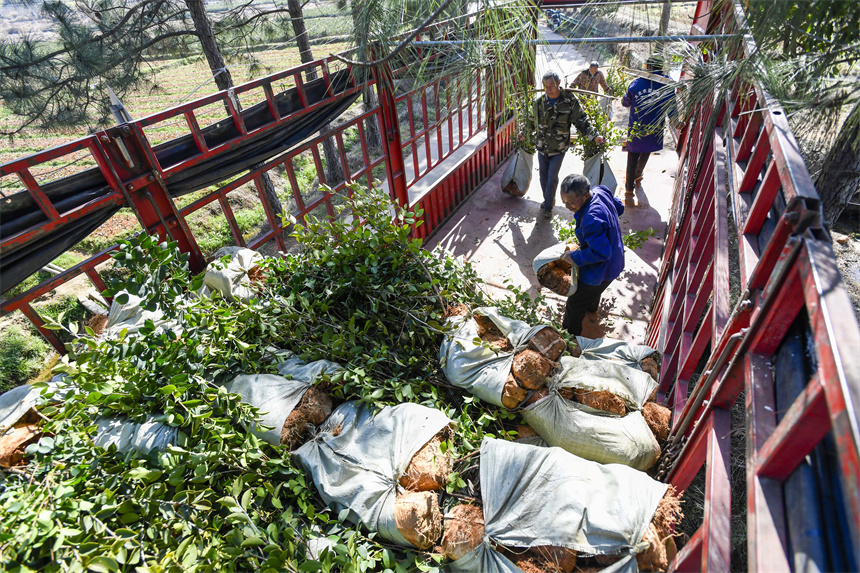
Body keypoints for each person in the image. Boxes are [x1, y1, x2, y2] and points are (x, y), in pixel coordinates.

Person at [558, 174, 625, 336]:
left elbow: (601, 252)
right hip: (617, 258)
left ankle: (569, 337)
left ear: (586, 195)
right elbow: (619, 207)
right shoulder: (600, 191)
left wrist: (574, 257)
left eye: (571, 202)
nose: (567, 206)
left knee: (574, 304)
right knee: (593, 292)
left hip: (603, 267)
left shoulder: (590, 220)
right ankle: (591, 307)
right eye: (564, 202)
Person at [533, 70, 605, 218]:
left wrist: (594, 136)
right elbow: (531, 121)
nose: (549, 90)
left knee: (552, 176)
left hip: (558, 148)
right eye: (546, 87)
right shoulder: (540, 102)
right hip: (542, 147)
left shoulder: (570, 100)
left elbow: (582, 120)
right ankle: (549, 198)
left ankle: (547, 207)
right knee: (543, 177)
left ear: (559, 83)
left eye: (552, 86)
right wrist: (523, 133)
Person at [621, 54, 675, 203]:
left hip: (636, 127)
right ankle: (638, 174)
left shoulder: (636, 83)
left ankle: (629, 187)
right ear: (662, 67)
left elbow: (627, 102)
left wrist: (623, 99)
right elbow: (672, 109)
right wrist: (677, 122)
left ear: (648, 67)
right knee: (646, 150)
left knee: (632, 155)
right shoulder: (667, 85)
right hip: (654, 128)